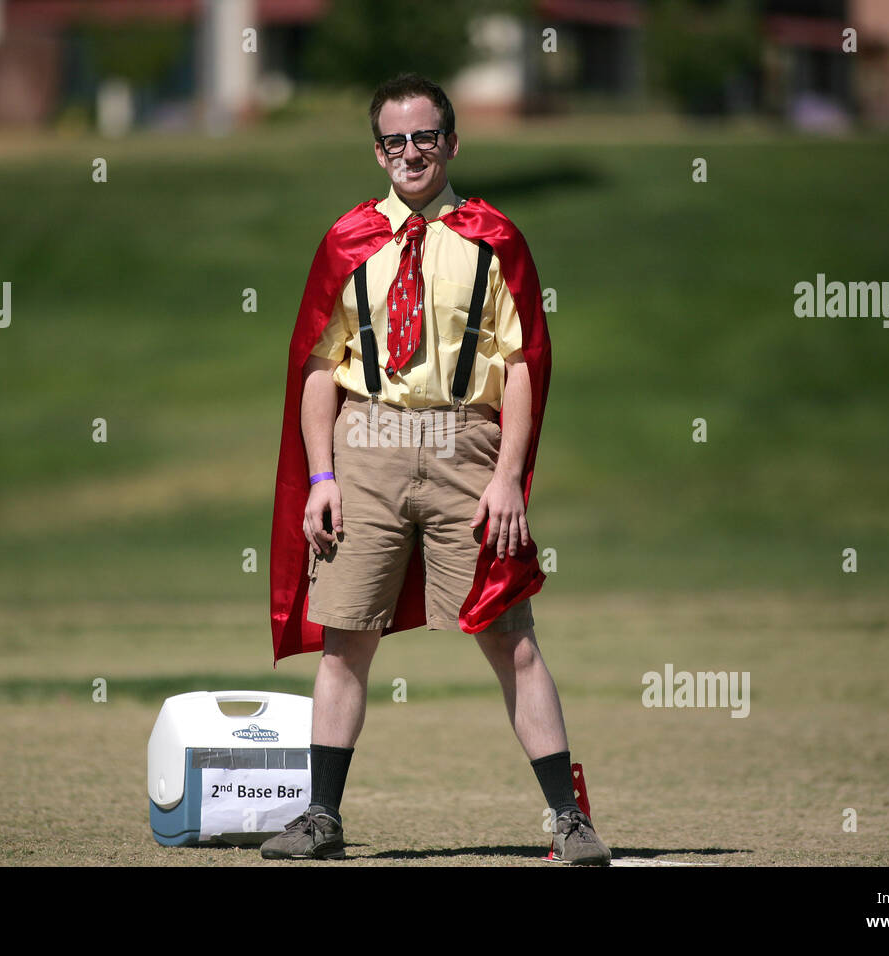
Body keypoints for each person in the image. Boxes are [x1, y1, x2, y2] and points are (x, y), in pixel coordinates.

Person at [265, 73, 609, 864]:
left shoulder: (495, 237)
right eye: (395, 140)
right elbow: (319, 363)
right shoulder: (348, 239)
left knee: (510, 635)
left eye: (425, 137)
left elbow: (523, 362)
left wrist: (508, 476)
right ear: (377, 151)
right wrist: (321, 478)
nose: (410, 152)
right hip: (366, 447)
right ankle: (322, 818)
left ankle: (569, 820)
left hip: (467, 447)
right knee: (345, 639)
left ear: (452, 143)